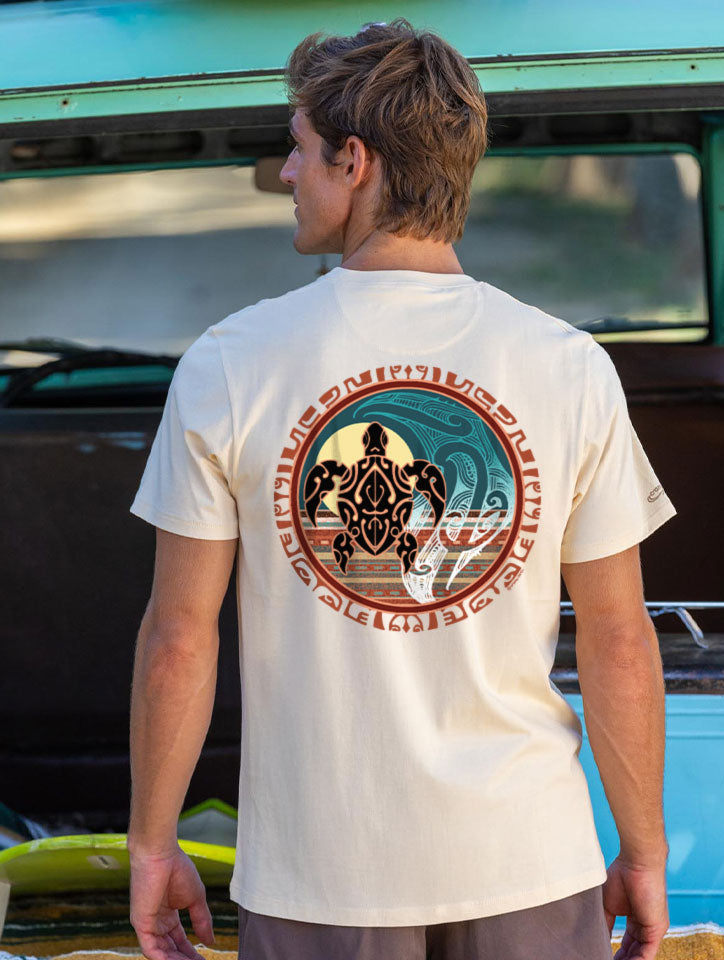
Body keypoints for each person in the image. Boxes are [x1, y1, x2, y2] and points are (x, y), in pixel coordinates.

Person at [127, 19, 676, 960]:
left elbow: (181, 635)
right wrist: (644, 848)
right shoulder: (567, 365)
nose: (287, 175)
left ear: (356, 158)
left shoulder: (232, 362)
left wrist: (151, 844)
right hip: (532, 863)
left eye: (298, 150)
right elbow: (622, 639)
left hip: (321, 877)